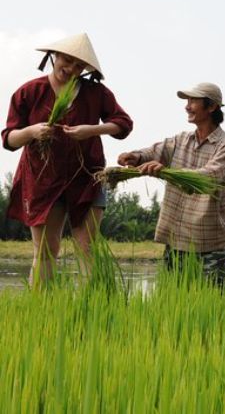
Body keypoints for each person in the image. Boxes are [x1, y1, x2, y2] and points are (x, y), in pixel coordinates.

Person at [2, 33, 133, 285]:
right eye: (67, 60)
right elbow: (9, 139)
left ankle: (92, 308)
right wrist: (32, 132)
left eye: (79, 65)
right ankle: (41, 311)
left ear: (85, 69)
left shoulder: (96, 93)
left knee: (86, 248)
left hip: (87, 178)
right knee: (45, 251)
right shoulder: (29, 92)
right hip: (42, 179)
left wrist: (91, 129)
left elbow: (123, 124)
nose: (71, 68)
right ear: (53, 56)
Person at [117, 83, 225, 289]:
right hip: (177, 235)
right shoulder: (181, 140)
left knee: (215, 301)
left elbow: (210, 176)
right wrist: (135, 156)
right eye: (187, 101)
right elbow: (155, 151)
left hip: (209, 238)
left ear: (211, 107)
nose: (187, 106)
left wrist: (166, 173)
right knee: (172, 296)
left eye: (193, 101)